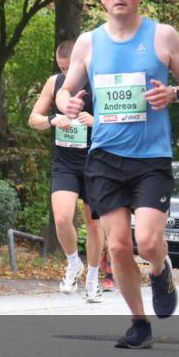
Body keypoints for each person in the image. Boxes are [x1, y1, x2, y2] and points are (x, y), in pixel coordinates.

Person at [56, 0, 179, 349]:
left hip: (151, 159)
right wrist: (67, 104)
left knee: (150, 242)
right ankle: (139, 323)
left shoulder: (163, 36)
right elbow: (64, 90)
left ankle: (160, 268)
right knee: (118, 245)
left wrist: (172, 94)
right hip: (104, 157)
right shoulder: (89, 42)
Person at [29, 39, 107, 302]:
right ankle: (74, 263)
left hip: (96, 163)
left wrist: (95, 122)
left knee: (94, 224)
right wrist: (52, 120)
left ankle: (94, 278)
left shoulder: (98, 81)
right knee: (62, 218)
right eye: (61, 68)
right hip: (65, 162)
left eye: (68, 68)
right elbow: (33, 119)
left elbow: (121, 123)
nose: (65, 74)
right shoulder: (55, 83)